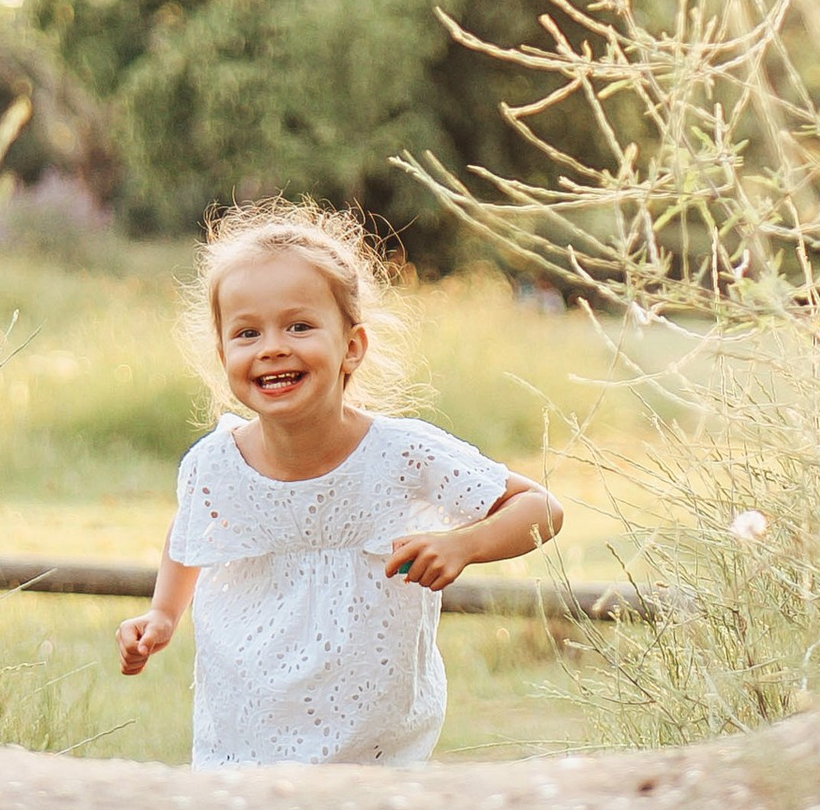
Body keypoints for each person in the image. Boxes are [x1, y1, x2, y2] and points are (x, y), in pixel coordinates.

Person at [117, 200, 562, 769]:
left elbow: (540, 508)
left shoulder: (401, 452)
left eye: (299, 326)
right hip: (245, 733)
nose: (273, 346)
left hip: (374, 741)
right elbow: (191, 533)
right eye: (247, 332)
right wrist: (161, 615)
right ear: (224, 351)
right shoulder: (215, 463)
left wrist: (463, 545)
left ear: (352, 345)